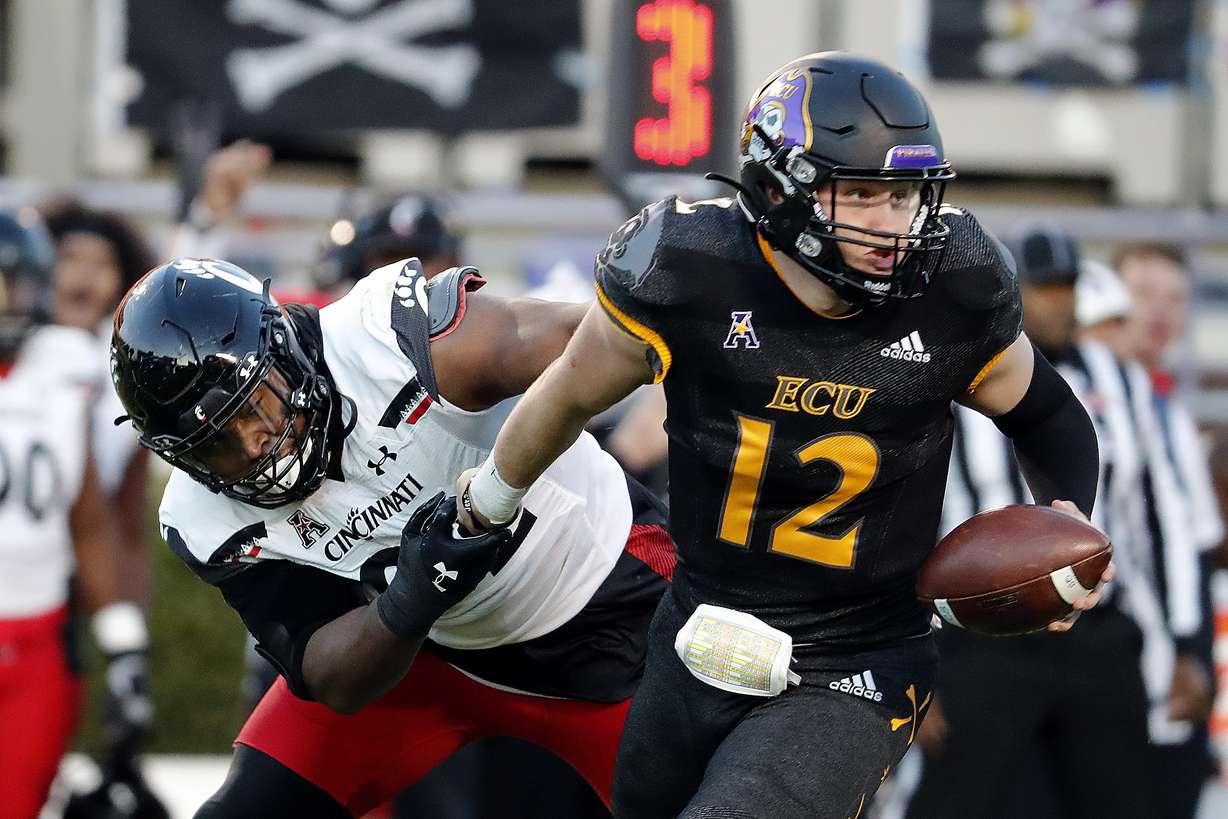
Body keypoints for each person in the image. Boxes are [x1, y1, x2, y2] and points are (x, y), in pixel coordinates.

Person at [454, 52, 1110, 819]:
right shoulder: (688, 267)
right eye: (862, 193)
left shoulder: (955, 288)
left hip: (857, 656)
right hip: (700, 628)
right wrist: (487, 501)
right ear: (777, 188)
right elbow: (565, 394)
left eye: (903, 195)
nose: (891, 222)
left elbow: (1050, 416)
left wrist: (1068, 520)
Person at [108, 255, 676, 817]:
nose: (255, 445)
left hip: (605, 609)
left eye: (254, 404)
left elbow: (597, 342)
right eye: (215, 444)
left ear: (283, 349)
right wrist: (411, 600)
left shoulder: (392, 340)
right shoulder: (201, 517)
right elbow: (329, 676)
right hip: (424, 657)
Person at [907, 229, 1185, 819]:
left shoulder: (1124, 384)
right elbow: (903, 522)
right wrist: (912, 659)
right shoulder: (943, 381)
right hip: (984, 632)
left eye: (1068, 287)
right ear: (1013, 291)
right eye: (1044, 288)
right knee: (958, 800)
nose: (1059, 303)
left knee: (1123, 800)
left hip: (1097, 628)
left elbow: (1165, 521)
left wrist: (1183, 644)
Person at [0, 210, 148, 819]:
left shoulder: (65, 368)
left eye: (13, 280)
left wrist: (124, 648)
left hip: (41, 641)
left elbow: (89, 523)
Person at [1116, 242, 1223, 818]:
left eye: (1175, 298)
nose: (1160, 312)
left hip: (1173, 646)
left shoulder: (1168, 409)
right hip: (1115, 648)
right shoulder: (1088, 403)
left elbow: (1196, 546)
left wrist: (1193, 651)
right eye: (1143, 294)